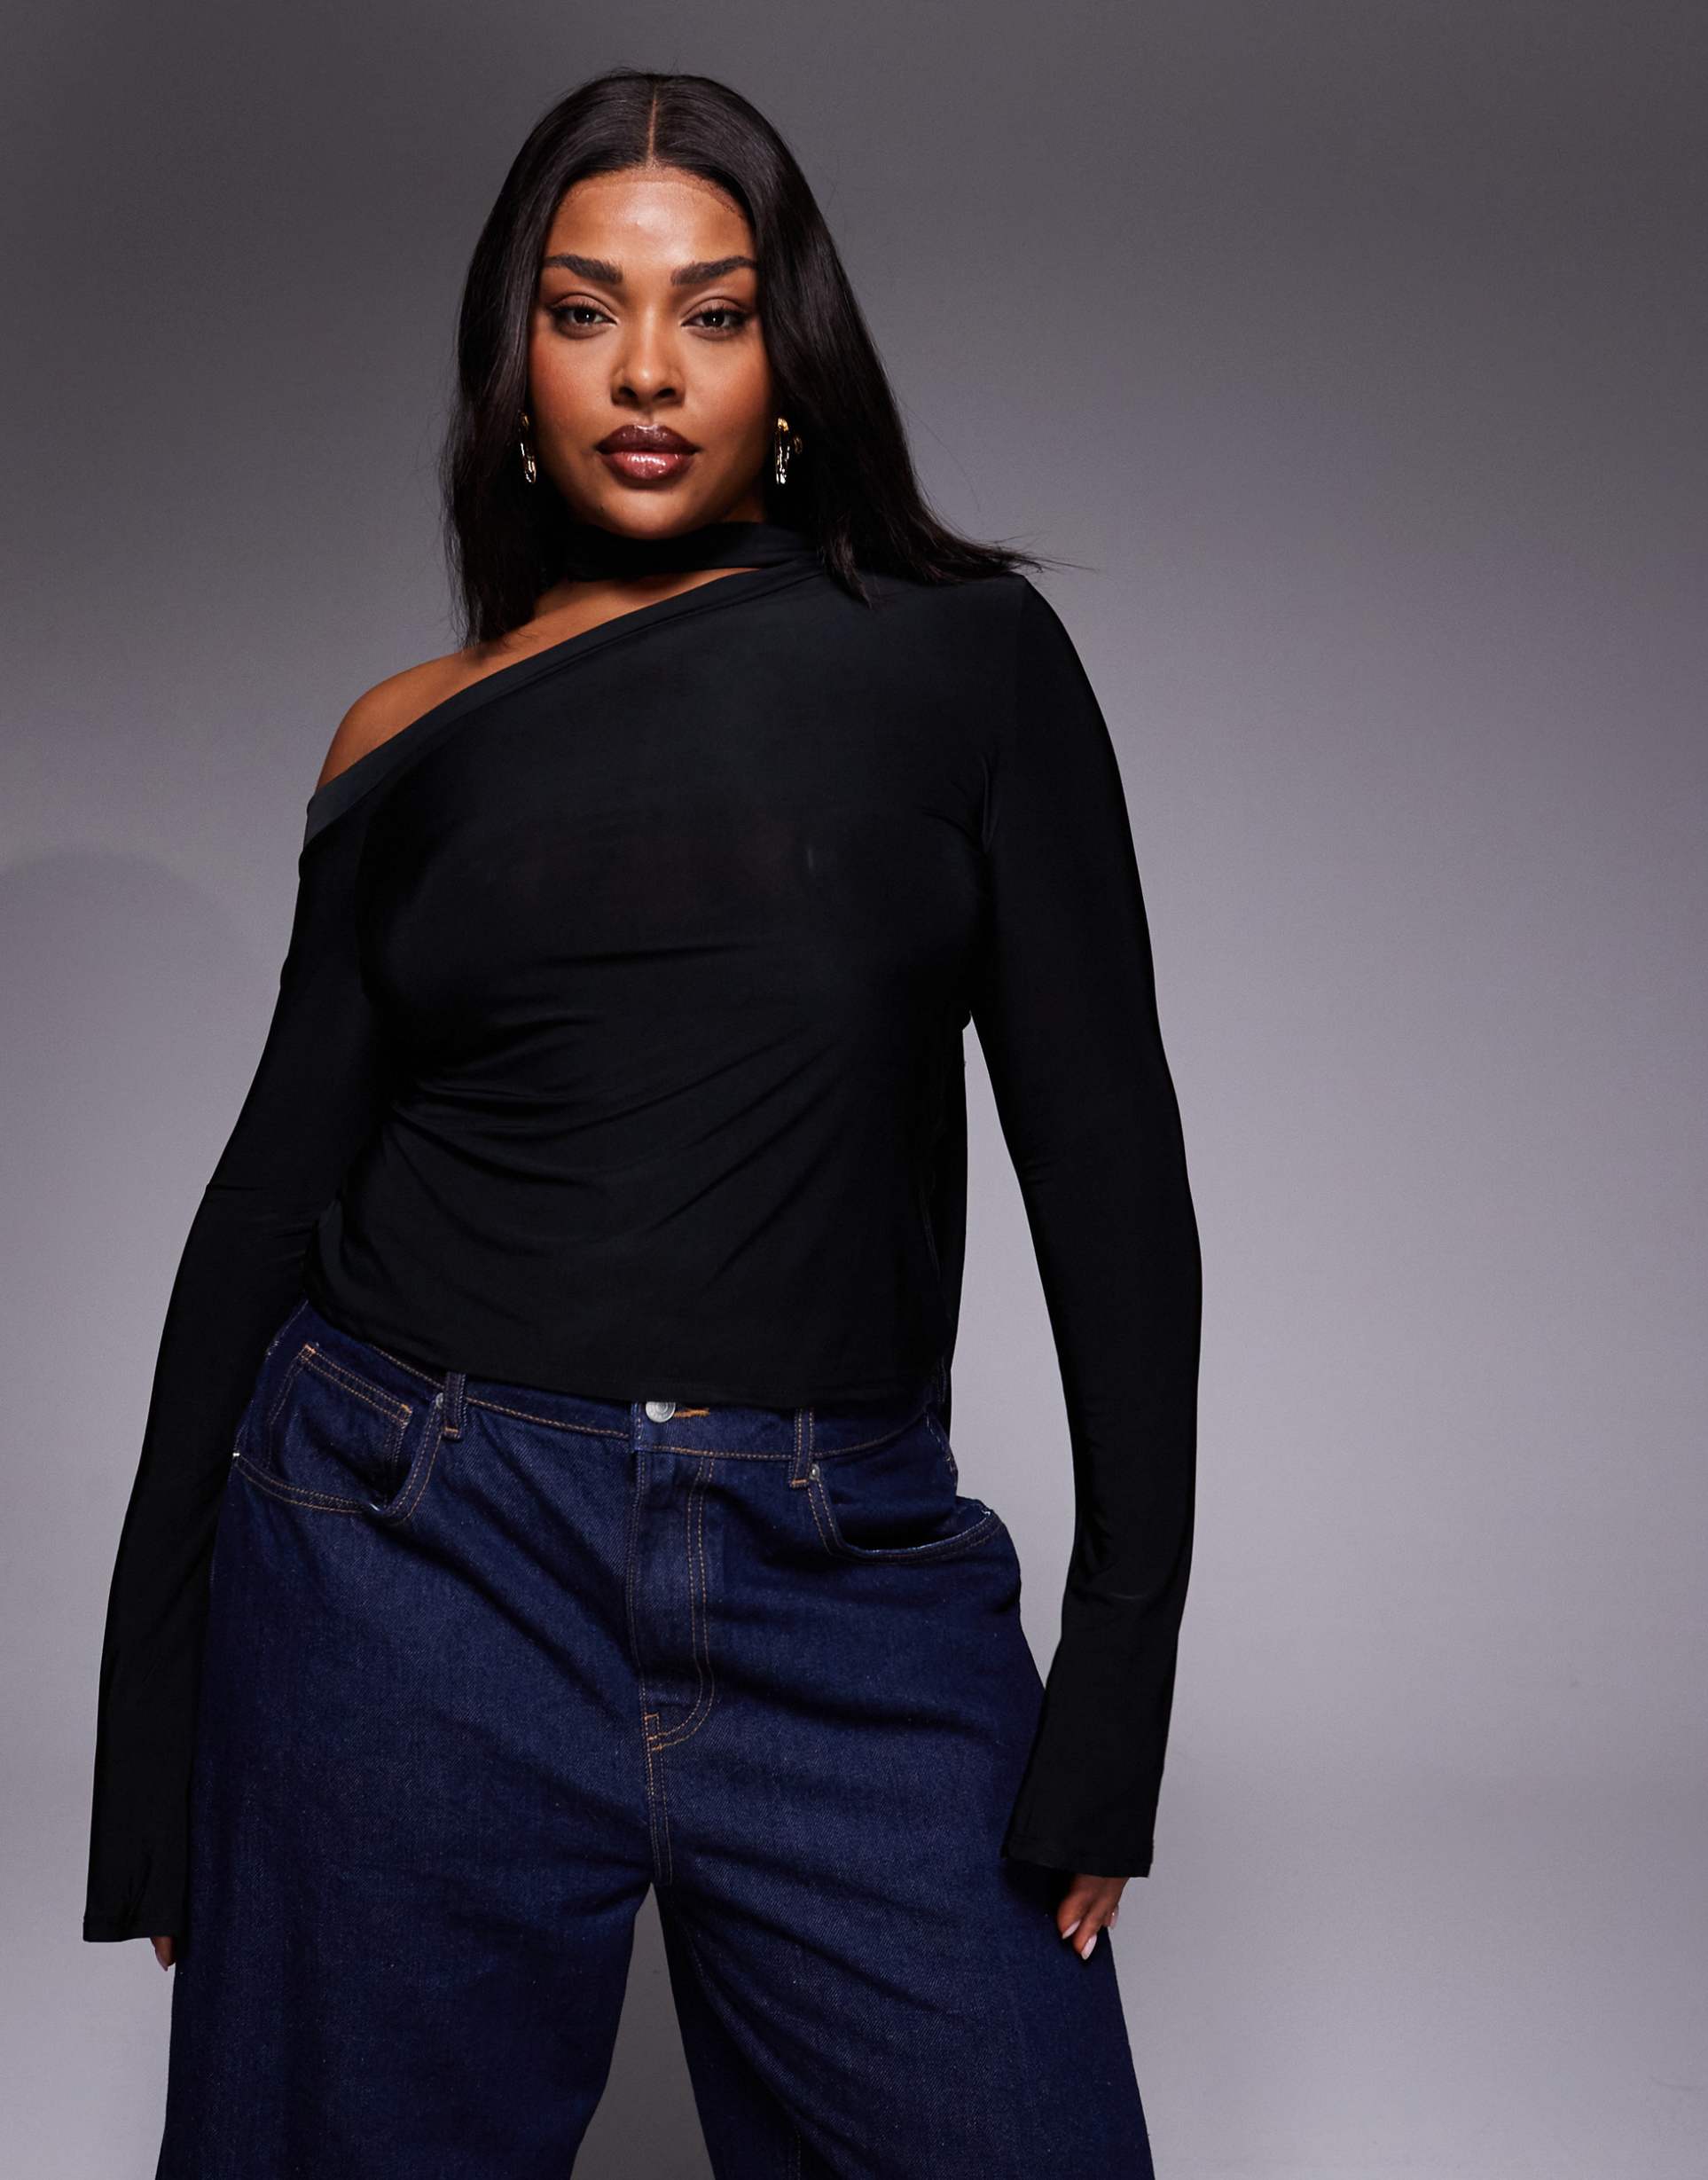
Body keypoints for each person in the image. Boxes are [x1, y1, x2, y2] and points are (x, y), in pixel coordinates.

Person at [83, 65, 1203, 2180]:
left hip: (840, 1568)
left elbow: (1112, 1168)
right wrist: (150, 1716)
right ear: (515, 363)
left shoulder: (970, 661)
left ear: (794, 357)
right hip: (413, 1559)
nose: (649, 371)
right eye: (585, 308)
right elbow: (260, 1210)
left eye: (714, 308)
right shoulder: (409, 731)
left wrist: (1121, 1667)